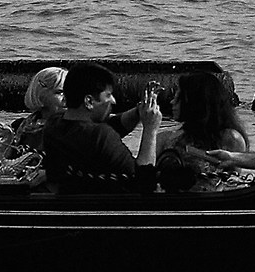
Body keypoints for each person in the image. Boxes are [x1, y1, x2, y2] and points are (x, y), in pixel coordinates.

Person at [41, 62, 163, 190]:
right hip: (103, 206)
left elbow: (113, 126)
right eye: (108, 95)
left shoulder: (53, 125)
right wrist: (150, 129)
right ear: (89, 101)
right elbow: (144, 180)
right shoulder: (101, 135)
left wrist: (139, 111)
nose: (113, 101)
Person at [0, 64, 67, 198]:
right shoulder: (19, 127)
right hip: (16, 196)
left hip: (53, 199)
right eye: (60, 92)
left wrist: (49, 174)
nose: (67, 98)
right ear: (41, 93)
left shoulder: (74, 128)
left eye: (71, 93)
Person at [158, 63, 255, 193]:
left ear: (193, 102)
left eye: (178, 97)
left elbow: (233, 181)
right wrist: (149, 129)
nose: (172, 102)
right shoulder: (165, 139)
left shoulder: (230, 138)